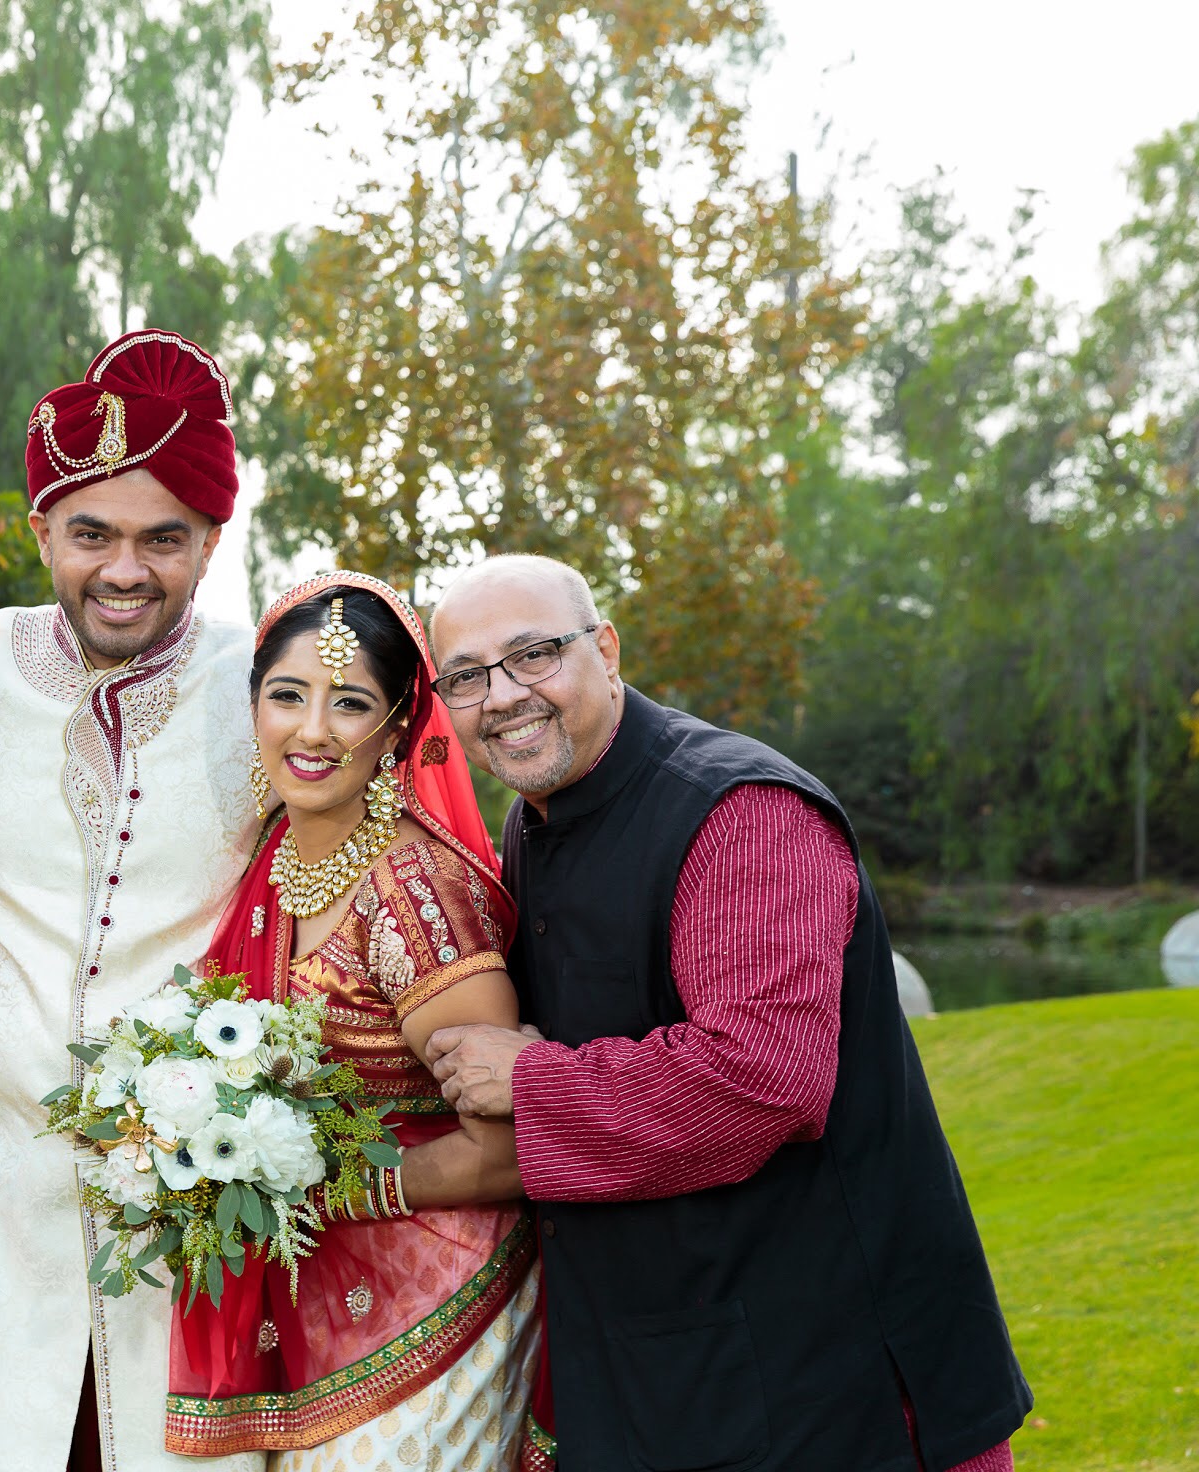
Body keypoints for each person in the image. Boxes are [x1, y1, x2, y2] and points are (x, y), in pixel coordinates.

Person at [423, 553, 1028, 1472]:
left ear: (608, 649)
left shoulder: (739, 810)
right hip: (685, 1365)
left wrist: (530, 1079)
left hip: (836, 1374)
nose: (502, 695)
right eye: (466, 676)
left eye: (534, 655)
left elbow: (763, 1080)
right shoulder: (537, 819)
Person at [0, 329, 264, 1472]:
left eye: (164, 538)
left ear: (212, 540)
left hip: (197, 1205)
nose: (126, 568)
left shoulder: (272, 686)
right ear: (39, 532)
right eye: (92, 534)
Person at [165, 573, 554, 1472]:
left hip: (441, 1295)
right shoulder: (274, 856)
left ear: (395, 728)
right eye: (287, 695)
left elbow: (503, 1149)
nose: (312, 730)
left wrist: (321, 1189)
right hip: (318, 1287)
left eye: (350, 704)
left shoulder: (416, 896)